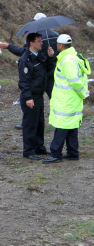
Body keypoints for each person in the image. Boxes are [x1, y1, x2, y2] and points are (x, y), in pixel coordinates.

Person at [42, 34, 91, 163]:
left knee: (62, 126)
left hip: (67, 100)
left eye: (56, 44)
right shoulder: (70, 57)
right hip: (70, 99)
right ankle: (73, 152)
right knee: (72, 125)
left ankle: (55, 154)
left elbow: (74, 81)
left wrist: (83, 94)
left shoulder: (67, 60)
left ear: (60, 45)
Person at [0, 13, 59, 99]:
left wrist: (9, 46)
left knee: (36, 99)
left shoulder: (35, 38)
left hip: (38, 73)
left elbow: (23, 52)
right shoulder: (57, 35)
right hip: (53, 70)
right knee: (55, 98)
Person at [18, 33, 55, 160]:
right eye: (39, 41)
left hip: (39, 95)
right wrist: (28, 97)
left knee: (39, 122)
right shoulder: (25, 60)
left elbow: (48, 69)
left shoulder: (39, 56)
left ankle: (39, 147)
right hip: (31, 96)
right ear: (32, 43)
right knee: (30, 123)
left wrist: (50, 57)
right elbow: (24, 81)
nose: (42, 43)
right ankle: (28, 150)